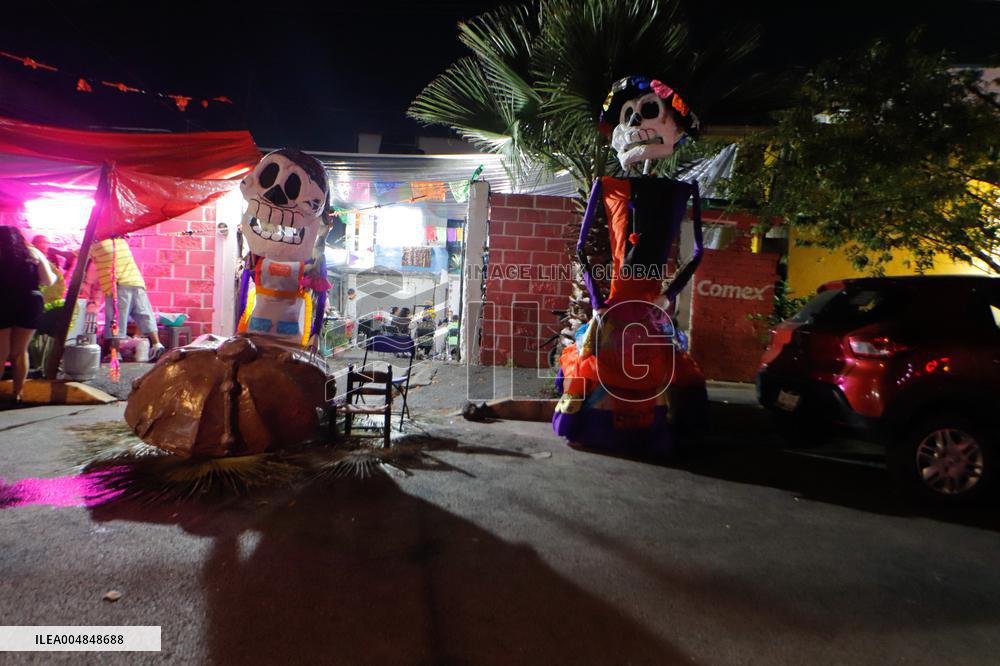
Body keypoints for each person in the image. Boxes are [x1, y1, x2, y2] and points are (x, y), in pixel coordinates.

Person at [0, 227, 57, 403]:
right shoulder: (33, 253)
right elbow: (48, 281)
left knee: (1, 352)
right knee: (19, 351)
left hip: (2, 301)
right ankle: (17, 393)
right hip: (29, 302)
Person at [87, 237, 164, 361]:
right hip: (137, 283)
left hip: (118, 285)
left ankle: (115, 353)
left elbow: (79, 259)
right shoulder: (121, 242)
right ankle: (157, 345)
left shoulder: (96, 247)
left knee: (116, 320)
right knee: (145, 315)